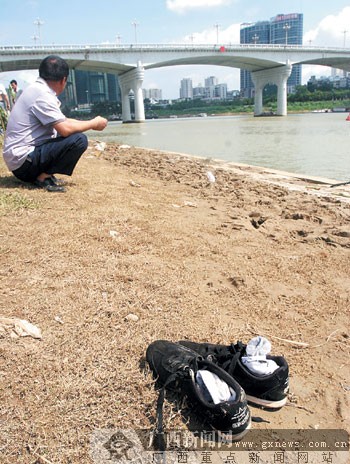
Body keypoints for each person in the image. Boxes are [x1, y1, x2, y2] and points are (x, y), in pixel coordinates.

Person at [3, 55, 108, 192]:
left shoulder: (37, 90)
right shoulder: (43, 95)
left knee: (72, 135)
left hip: (20, 160)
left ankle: (45, 174)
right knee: (79, 140)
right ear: (63, 80)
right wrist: (94, 123)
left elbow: (63, 121)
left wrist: (91, 122)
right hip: (23, 164)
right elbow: (65, 129)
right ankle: (43, 177)